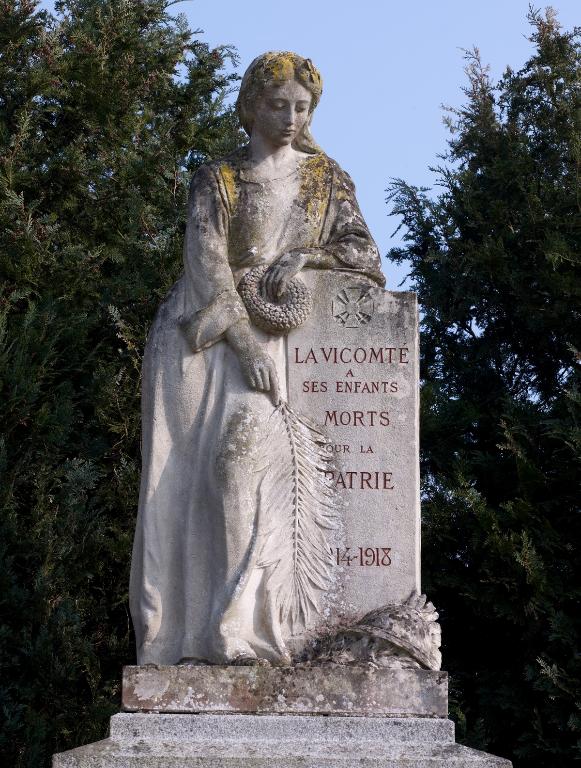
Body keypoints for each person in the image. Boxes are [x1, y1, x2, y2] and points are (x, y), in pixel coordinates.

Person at [129, 51, 385, 667]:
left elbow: (364, 253)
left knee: (241, 466)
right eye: (279, 105)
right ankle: (186, 636)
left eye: (302, 107)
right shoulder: (218, 179)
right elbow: (207, 266)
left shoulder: (328, 179)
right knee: (186, 484)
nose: (291, 117)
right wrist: (245, 344)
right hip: (206, 341)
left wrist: (308, 258)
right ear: (250, 107)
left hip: (278, 336)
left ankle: (236, 622)